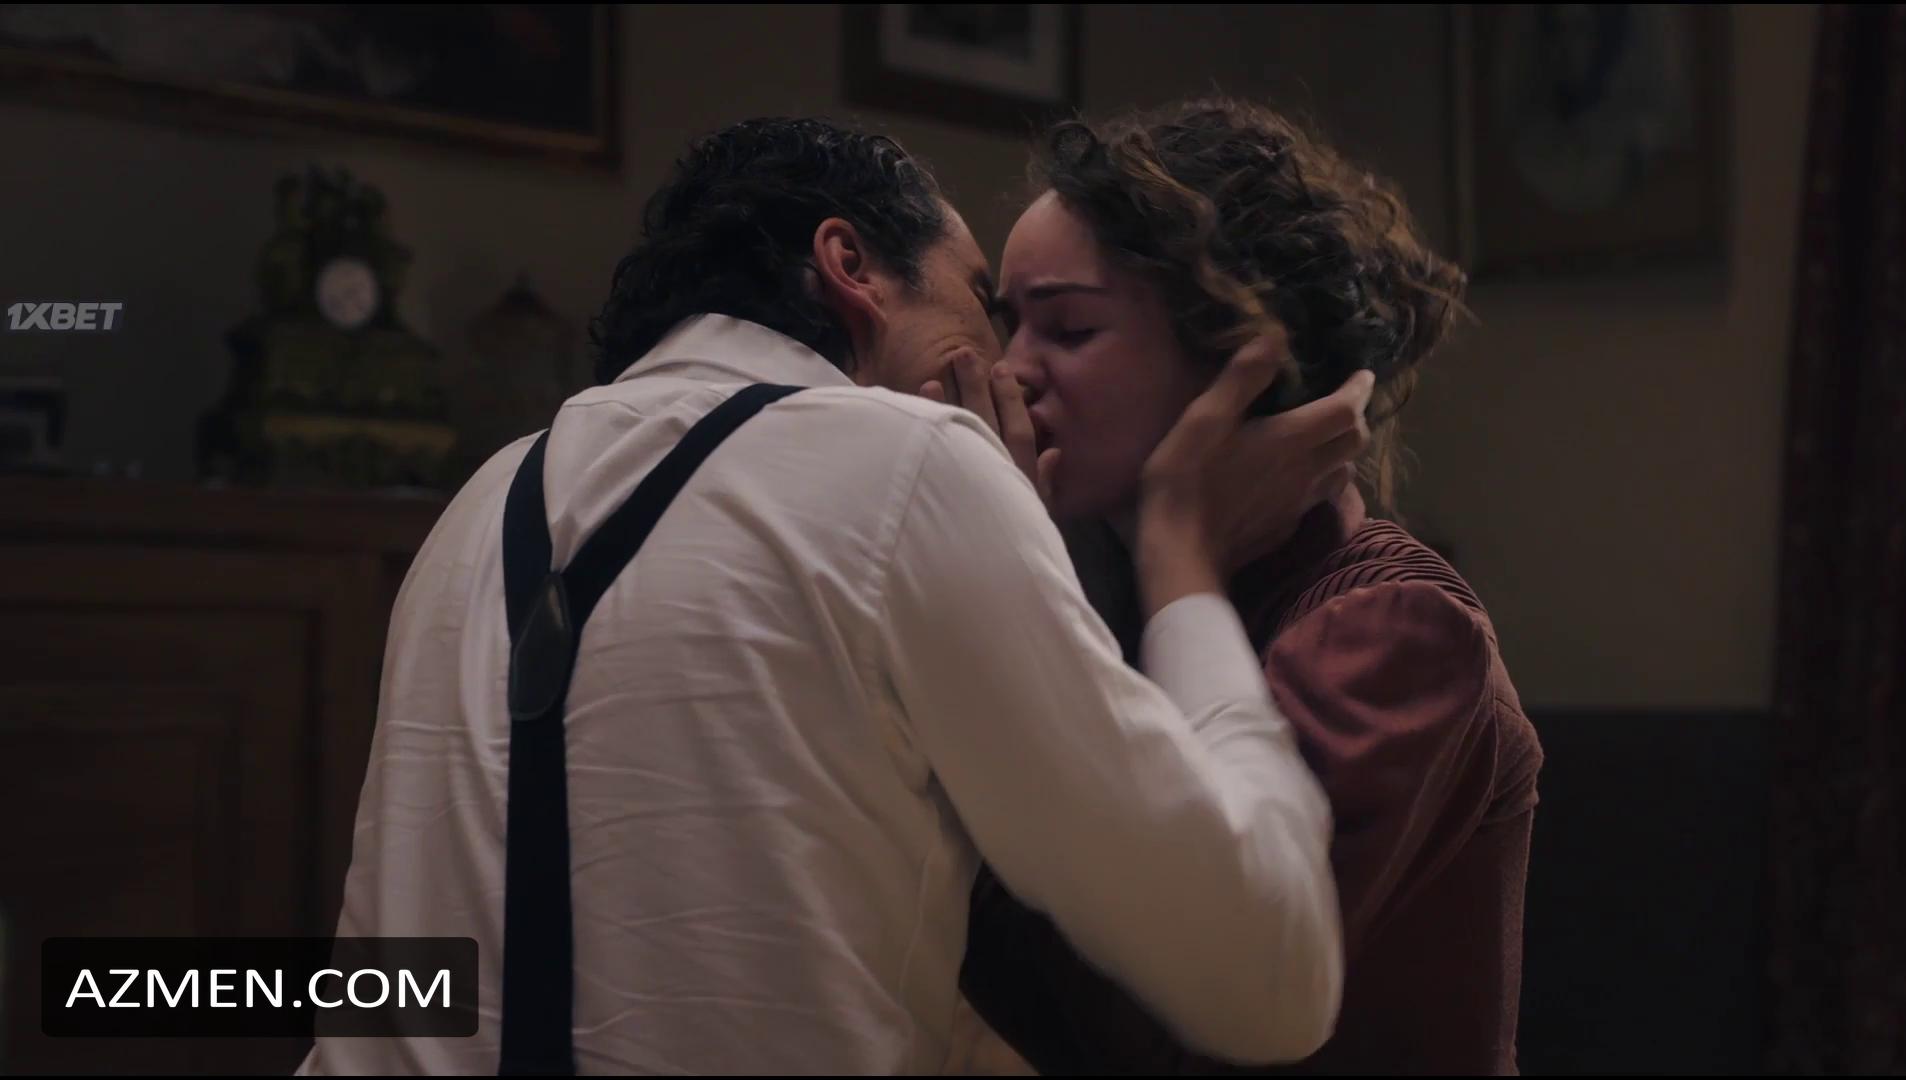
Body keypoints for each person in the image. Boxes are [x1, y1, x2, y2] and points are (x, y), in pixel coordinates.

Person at [298, 116, 1377, 1075]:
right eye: (980, 303)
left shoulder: (484, 499)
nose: (1006, 368)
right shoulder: (912, 461)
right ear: (851, 266)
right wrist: (1181, 553)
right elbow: (1269, 978)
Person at [942, 99, 1545, 1075]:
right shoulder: (1105, 588)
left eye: (1070, 328)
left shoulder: (1395, 628)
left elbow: (1154, 1033)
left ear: (1239, 362)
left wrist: (1168, 544)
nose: (1012, 374)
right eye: (1009, 329)